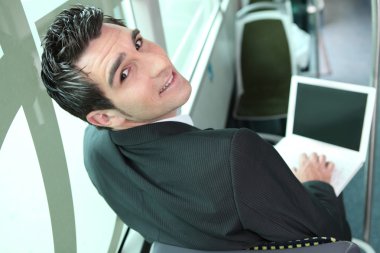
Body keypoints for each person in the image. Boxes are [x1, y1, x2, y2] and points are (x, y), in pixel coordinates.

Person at [40, 5, 351, 250]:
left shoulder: (95, 150)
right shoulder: (234, 156)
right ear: (104, 117)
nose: (159, 62)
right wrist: (317, 185)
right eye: (124, 73)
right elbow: (331, 238)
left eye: (138, 42)